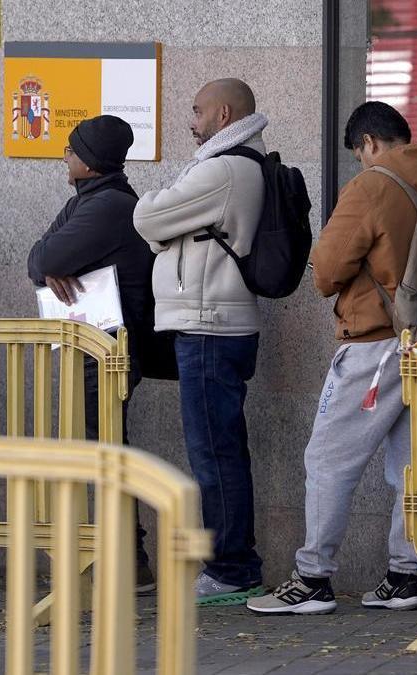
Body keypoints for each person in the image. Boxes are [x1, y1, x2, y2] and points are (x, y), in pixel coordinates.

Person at [247, 102, 417, 615]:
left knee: (328, 458)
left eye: (359, 153)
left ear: (369, 143)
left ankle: (312, 579)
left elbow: (327, 269)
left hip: (376, 342)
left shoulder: (372, 186)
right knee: (409, 467)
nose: (361, 162)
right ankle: (403, 576)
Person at [133, 78, 267, 606]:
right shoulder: (237, 163)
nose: (189, 121)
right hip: (212, 322)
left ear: (223, 113)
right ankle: (233, 563)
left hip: (211, 325)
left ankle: (232, 569)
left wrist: (163, 226)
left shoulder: (223, 167)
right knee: (219, 449)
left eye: (195, 110)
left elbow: (147, 214)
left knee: (214, 453)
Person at [26, 114, 158, 592]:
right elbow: (37, 259)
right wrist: (49, 263)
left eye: (70, 149)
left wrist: (52, 263)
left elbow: (45, 259)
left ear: (91, 160)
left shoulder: (107, 207)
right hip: (95, 347)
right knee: (105, 448)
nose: (64, 155)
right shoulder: (88, 201)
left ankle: (130, 560)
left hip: (108, 350)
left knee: (105, 451)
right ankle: (128, 559)